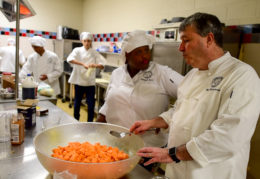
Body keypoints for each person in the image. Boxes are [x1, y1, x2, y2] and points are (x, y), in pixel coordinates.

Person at [130, 13, 260, 179]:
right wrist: (156, 122)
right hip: (178, 172)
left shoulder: (241, 76)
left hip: (212, 174)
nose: (180, 48)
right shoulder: (192, 76)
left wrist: (172, 154)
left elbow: (228, 137)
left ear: (209, 39)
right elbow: (180, 110)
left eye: (186, 40)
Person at [97, 30, 183, 148]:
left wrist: (164, 119)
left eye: (147, 50)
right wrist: (97, 126)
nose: (145, 56)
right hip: (116, 142)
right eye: (138, 52)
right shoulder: (117, 74)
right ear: (127, 55)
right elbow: (109, 102)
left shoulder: (162, 73)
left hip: (148, 147)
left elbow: (193, 94)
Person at [67, 32, 106, 122]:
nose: (87, 43)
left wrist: (95, 65)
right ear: (82, 41)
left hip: (90, 83)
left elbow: (103, 65)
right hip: (79, 82)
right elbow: (70, 59)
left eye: (89, 41)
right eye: (85, 41)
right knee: (77, 104)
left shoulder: (94, 52)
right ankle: (75, 121)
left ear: (91, 41)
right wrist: (83, 64)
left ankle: (90, 124)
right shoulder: (77, 50)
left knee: (91, 105)